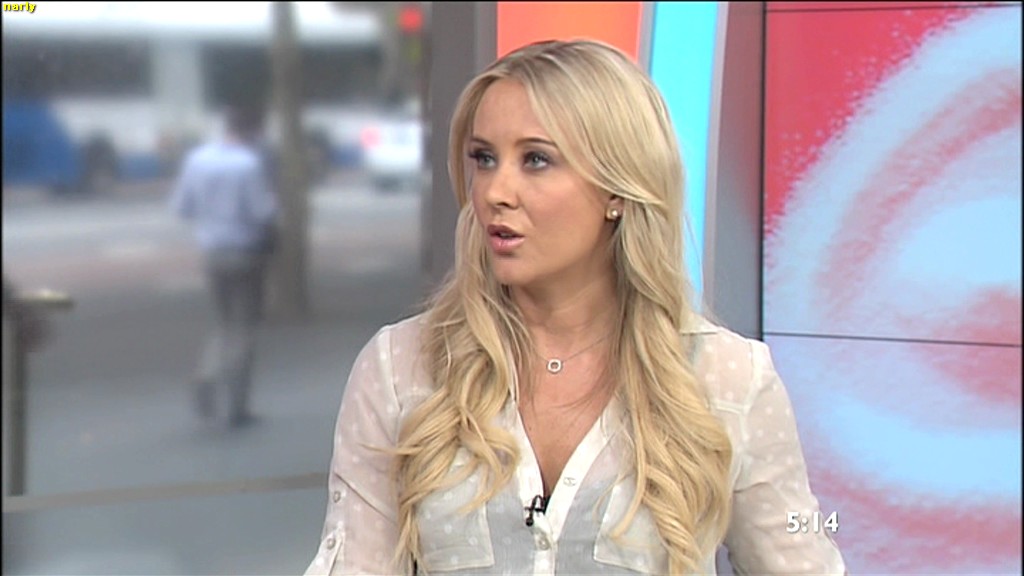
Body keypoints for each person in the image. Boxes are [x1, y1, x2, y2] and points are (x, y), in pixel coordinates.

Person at [305, 40, 846, 575]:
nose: (495, 191)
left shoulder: (729, 378)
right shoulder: (399, 368)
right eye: (484, 159)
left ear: (617, 190)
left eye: (536, 160)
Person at [170, 104, 278, 429]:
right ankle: (236, 405)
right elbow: (261, 211)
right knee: (245, 327)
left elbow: (182, 207)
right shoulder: (248, 164)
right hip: (246, 252)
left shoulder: (198, 159)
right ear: (253, 131)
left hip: (213, 252)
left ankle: (207, 373)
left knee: (224, 322)